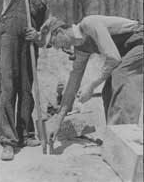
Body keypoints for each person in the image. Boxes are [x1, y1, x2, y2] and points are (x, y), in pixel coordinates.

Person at [25, 15, 142, 144]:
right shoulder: (80, 48)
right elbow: (73, 82)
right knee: (108, 91)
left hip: (139, 40)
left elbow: (114, 58)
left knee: (122, 76)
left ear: (59, 31)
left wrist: (91, 86)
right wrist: (59, 118)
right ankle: (115, 138)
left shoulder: (89, 24)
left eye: (53, 42)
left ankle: (126, 141)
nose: (56, 47)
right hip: (124, 52)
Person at [0, 0, 61, 161]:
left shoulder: (43, 4)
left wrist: (38, 35)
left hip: (29, 48)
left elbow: (45, 39)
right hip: (9, 41)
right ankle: (8, 141)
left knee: (25, 90)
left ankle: (25, 134)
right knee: (8, 87)